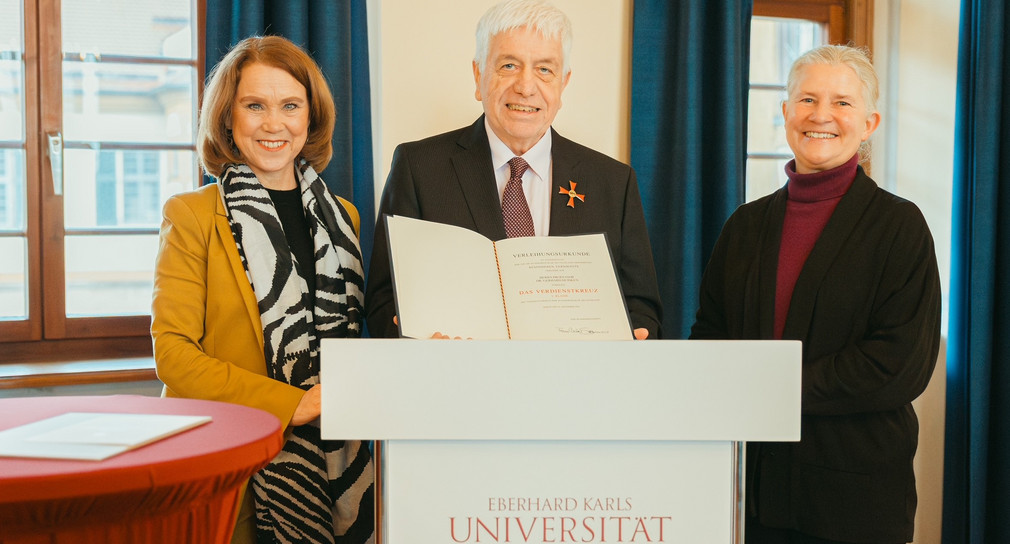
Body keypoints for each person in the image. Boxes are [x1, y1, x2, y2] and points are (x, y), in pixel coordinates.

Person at [690, 45, 941, 544]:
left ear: (869, 123)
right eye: (806, 99)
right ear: (785, 113)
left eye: (842, 103)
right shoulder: (744, 226)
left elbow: (899, 365)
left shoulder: (900, 226)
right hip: (751, 497)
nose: (821, 115)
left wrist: (773, 389)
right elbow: (710, 341)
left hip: (856, 505)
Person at [151, 36, 373, 544]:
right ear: (228, 118)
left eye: (290, 106)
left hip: (334, 470)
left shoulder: (344, 217)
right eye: (255, 106)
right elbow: (174, 355)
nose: (274, 124)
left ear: (311, 118)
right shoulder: (193, 216)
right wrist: (291, 403)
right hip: (227, 469)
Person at [365, 0, 662, 340]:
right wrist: (417, 341)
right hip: (456, 382)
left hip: (575, 384)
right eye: (508, 65)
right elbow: (382, 300)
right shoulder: (418, 168)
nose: (525, 86)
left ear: (563, 84)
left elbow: (642, 308)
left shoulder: (612, 182)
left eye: (544, 70)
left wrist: (636, 335)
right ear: (479, 75)